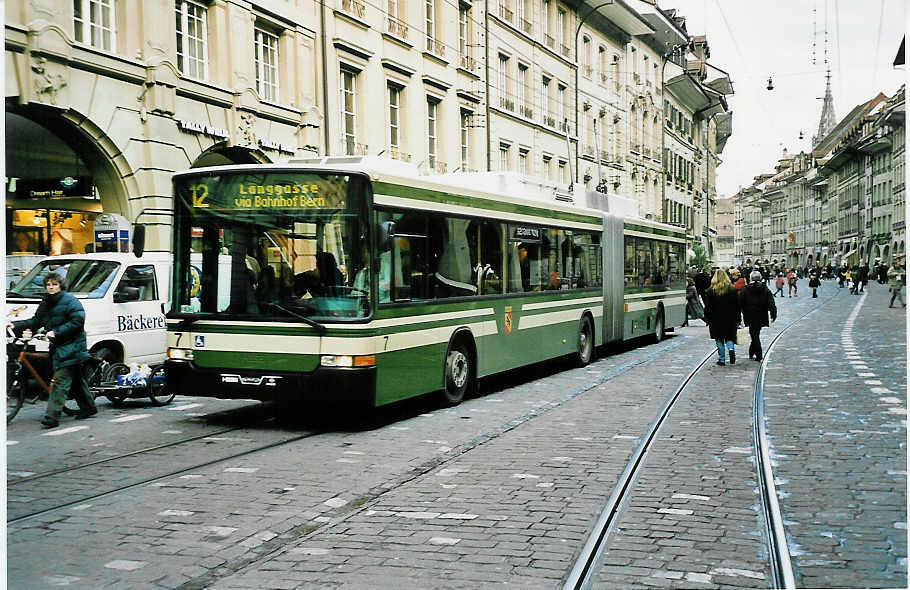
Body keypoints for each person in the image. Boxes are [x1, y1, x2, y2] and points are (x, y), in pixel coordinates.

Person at [10, 273, 96, 428]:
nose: (51, 287)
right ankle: (89, 407)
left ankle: (52, 417)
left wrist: (56, 332)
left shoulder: (70, 301)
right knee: (76, 380)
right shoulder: (46, 302)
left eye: (54, 284)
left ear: (61, 286)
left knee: (60, 382)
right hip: (58, 346)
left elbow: (77, 321)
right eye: (48, 284)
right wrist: (15, 325)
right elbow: (36, 321)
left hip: (73, 346)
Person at [703, 269, 741, 366]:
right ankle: (731, 349)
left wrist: (707, 318)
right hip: (730, 318)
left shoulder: (710, 291)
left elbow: (708, 307)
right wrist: (738, 318)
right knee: (730, 336)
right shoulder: (732, 290)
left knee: (719, 338)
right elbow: (737, 306)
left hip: (715, 319)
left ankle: (722, 359)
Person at [740, 270, 777, 362]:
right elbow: (771, 302)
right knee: (755, 333)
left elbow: (739, 303)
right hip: (761, 314)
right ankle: (751, 352)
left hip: (749, 315)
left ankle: (759, 354)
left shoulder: (745, 289)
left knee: (754, 334)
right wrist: (773, 314)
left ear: (750, 278)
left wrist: (738, 315)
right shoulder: (765, 288)